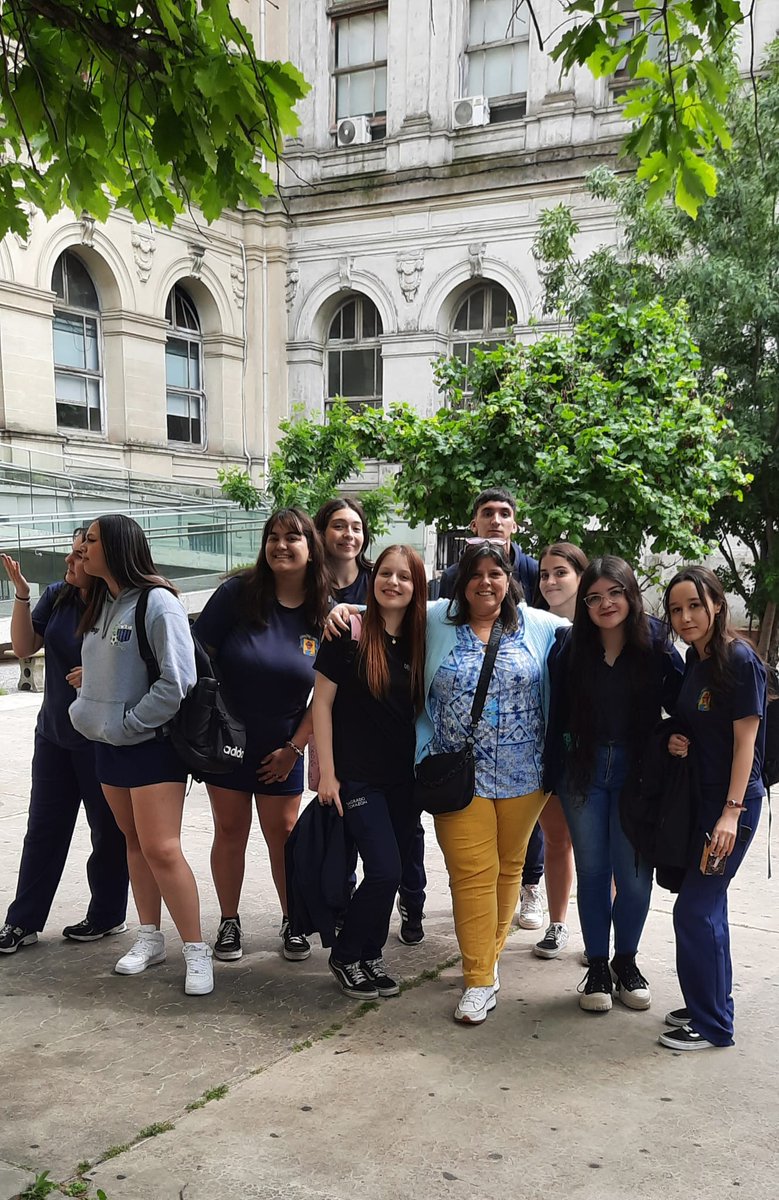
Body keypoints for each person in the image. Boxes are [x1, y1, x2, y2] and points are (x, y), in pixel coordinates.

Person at [419, 541, 565, 1024]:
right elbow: (380, 606)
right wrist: (342, 614)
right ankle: (479, 979)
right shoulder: (438, 619)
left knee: (509, 868)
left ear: (509, 581)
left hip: (526, 776)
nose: (486, 581)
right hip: (458, 777)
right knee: (471, 873)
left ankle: (488, 955)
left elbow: (605, 628)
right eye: (475, 573)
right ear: (462, 581)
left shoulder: (538, 625)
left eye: (495, 573)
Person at [69, 515, 211, 996]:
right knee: (133, 843)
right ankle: (149, 938)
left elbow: (178, 681)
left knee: (162, 848)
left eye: (90, 541)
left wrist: (129, 722)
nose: (82, 549)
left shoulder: (158, 602)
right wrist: (89, 708)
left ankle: (196, 951)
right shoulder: (99, 602)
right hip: (108, 747)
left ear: (117, 547)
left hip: (151, 747)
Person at [546, 556, 683, 1014]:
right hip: (582, 771)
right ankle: (598, 967)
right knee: (593, 871)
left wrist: (676, 741)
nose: (606, 604)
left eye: (615, 593)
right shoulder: (570, 647)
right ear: (584, 604)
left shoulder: (658, 642)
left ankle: (627, 961)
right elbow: (556, 711)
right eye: (594, 597)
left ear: (631, 594)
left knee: (635, 877)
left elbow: (683, 701)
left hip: (638, 775)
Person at [193, 507, 330, 964]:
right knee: (229, 830)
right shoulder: (238, 593)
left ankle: (293, 920)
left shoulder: (321, 612)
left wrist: (295, 749)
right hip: (226, 741)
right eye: (272, 537)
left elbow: (327, 696)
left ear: (311, 550)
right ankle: (229, 921)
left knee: (284, 835)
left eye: (292, 538)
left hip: (282, 746)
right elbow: (197, 654)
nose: (280, 545)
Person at [0, 534, 128, 954]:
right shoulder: (58, 595)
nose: (71, 559)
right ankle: (22, 922)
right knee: (43, 829)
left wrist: (99, 678)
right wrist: (22, 595)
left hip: (101, 738)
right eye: (73, 551)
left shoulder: (121, 602)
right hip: (54, 734)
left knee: (107, 832)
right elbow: (23, 647)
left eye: (82, 552)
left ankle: (107, 915)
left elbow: (145, 666)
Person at [659, 566, 766, 1051]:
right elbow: (696, 721)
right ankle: (712, 1003)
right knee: (712, 908)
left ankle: (712, 1025)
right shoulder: (693, 660)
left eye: (695, 606)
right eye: (677, 609)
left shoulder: (738, 660)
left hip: (731, 807)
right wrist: (679, 740)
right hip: (699, 798)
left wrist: (731, 812)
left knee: (694, 911)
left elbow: (746, 742)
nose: (685, 617)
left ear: (717, 605)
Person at [313, 545, 427, 999]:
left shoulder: (425, 636)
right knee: (382, 870)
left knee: (395, 872)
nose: (393, 583)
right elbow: (321, 703)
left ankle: (371, 954)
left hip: (405, 779)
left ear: (416, 586)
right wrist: (327, 774)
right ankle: (344, 955)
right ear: (373, 576)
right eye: (385, 573)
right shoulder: (349, 632)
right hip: (357, 777)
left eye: (404, 576)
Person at [437, 488, 543, 934]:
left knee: (517, 846)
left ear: (515, 523)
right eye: (487, 513)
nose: (497, 520)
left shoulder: (535, 571)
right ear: (474, 523)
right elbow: (427, 617)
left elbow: (560, 620)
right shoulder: (450, 577)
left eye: (505, 513)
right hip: (466, 747)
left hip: (522, 736)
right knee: (474, 862)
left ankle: (530, 887)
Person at [530, 542, 589, 959]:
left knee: (601, 846)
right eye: (545, 574)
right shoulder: (535, 625)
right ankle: (557, 924)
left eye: (561, 572)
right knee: (556, 839)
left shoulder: (602, 622)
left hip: (597, 754)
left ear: (581, 577)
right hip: (548, 750)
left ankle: (603, 931)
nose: (551, 581)